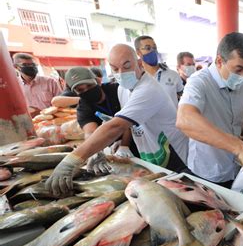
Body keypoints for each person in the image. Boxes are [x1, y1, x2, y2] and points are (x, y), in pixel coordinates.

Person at [45, 44, 189, 196]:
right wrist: (117, 144)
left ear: (140, 64)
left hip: (174, 154)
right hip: (151, 154)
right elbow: (128, 123)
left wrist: (71, 161)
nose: (121, 73)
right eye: (115, 69)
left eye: (127, 66)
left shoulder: (148, 89)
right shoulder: (123, 88)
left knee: (180, 192)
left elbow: (116, 126)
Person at [176, 32, 243, 188]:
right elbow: (185, 119)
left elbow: (239, 110)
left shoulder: (242, 84)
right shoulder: (199, 82)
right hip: (207, 171)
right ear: (219, 61)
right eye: (238, 69)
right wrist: (240, 147)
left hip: (236, 168)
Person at [63, 67, 138, 159]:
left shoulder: (117, 90)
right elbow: (90, 132)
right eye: (80, 90)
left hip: (140, 137)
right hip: (117, 147)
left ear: (97, 81)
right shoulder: (83, 108)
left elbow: (130, 118)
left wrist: (124, 145)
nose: (86, 91)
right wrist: (94, 152)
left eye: (89, 86)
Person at [134, 35, 184, 107]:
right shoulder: (136, 78)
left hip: (171, 118)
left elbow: (182, 96)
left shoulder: (173, 75)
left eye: (154, 48)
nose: (153, 51)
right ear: (138, 53)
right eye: (148, 48)